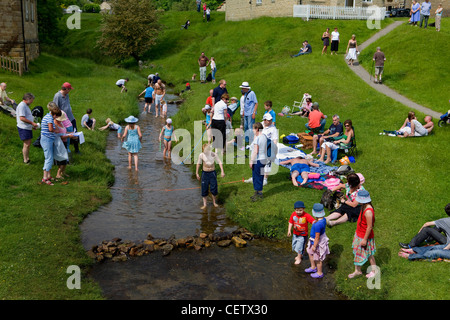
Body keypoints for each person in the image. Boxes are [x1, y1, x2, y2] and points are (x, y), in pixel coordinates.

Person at [348, 190, 377, 279]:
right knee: (360, 253)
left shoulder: (368, 211)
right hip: (359, 234)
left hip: (364, 237)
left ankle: (373, 271)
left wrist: (364, 239)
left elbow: (369, 227)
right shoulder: (363, 206)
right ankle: (358, 270)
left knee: (369, 254)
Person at [196, 143, 225, 209]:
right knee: (204, 188)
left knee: (214, 188)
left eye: (206, 151)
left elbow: (219, 162)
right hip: (204, 173)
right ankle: (205, 204)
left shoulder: (213, 154)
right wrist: (197, 173)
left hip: (212, 173)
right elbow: (198, 164)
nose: (205, 152)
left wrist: (222, 171)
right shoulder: (201, 155)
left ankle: (214, 202)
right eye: (204, 151)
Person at [53, 82, 79, 153]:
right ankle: (65, 149)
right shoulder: (57, 96)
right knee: (66, 133)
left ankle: (77, 149)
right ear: (66, 89)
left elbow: (68, 106)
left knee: (75, 132)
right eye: (69, 89)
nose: (69, 91)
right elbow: (55, 108)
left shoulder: (66, 95)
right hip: (63, 119)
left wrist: (72, 114)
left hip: (70, 117)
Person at [306, 203, 330, 278]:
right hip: (314, 240)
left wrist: (314, 246)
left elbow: (317, 237)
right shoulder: (323, 219)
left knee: (318, 258)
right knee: (310, 252)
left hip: (316, 242)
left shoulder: (317, 225)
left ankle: (319, 273)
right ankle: (313, 267)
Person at [287, 201, 315, 265]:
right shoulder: (293, 214)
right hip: (295, 234)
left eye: (300, 210)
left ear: (303, 209)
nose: (298, 212)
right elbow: (290, 222)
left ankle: (299, 258)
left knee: (300, 246)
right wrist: (289, 230)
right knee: (295, 245)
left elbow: (312, 221)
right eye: (297, 210)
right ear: (295, 210)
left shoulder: (306, 215)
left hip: (303, 235)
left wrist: (316, 222)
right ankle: (300, 254)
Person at [16, 93, 39, 164]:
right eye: (31, 100)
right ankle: (25, 160)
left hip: (27, 127)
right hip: (23, 128)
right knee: (26, 144)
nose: (32, 102)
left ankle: (27, 158)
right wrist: (32, 123)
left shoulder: (25, 105)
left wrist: (32, 126)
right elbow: (22, 118)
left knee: (28, 144)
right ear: (27, 99)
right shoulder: (22, 106)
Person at [249, 122, 267, 201]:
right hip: (264, 159)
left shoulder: (258, 138)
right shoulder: (264, 137)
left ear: (256, 129)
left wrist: (251, 161)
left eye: (253, 129)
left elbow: (256, 151)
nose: (252, 131)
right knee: (260, 176)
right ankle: (259, 192)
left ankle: (258, 194)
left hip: (258, 160)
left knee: (256, 177)